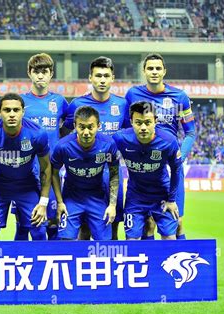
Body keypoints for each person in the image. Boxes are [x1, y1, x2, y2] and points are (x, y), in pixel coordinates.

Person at [125, 53, 195, 240]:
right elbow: (126, 126)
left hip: (170, 164)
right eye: (150, 68)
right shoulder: (133, 94)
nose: (154, 72)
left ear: (164, 71)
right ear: (144, 71)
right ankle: (150, 267)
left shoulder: (179, 97)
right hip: (145, 165)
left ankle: (179, 258)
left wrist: (181, 154)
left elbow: (190, 132)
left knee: (177, 220)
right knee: (147, 223)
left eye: (158, 68)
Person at [64, 56, 129, 240]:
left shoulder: (122, 104)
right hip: (84, 173)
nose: (102, 80)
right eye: (98, 75)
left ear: (112, 78)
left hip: (112, 172)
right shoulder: (77, 104)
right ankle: (85, 267)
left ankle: (111, 265)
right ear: (90, 78)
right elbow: (66, 133)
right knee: (84, 228)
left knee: (113, 225)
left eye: (106, 75)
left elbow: (128, 133)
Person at [0, 93, 51, 241]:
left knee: (39, 230)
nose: (11, 114)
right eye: (7, 110)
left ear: (23, 111)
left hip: (27, 184)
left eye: (16, 110)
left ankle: (38, 264)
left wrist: (43, 202)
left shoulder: (37, 133)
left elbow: (46, 168)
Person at [13, 53, 68, 241]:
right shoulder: (20, 102)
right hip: (24, 172)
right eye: (36, 71)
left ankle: (50, 264)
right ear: (29, 73)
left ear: (51, 74)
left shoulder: (59, 102)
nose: (40, 76)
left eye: (44, 71)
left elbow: (68, 127)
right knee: (23, 224)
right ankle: (16, 264)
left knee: (52, 222)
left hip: (50, 171)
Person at [113, 101, 182, 240]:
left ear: (155, 121)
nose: (143, 127)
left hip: (161, 195)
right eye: (138, 123)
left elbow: (176, 170)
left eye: (148, 122)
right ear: (131, 122)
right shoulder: (120, 138)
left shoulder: (168, 141)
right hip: (135, 197)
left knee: (170, 238)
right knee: (132, 240)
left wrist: (172, 199)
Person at [52, 106, 119, 240]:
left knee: (105, 242)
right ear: (75, 126)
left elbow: (114, 174)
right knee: (65, 240)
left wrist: (112, 205)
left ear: (98, 126)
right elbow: (53, 173)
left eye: (91, 127)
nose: (86, 132)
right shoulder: (63, 146)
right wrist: (60, 202)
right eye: (82, 127)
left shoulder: (108, 144)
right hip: (72, 198)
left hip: (97, 197)